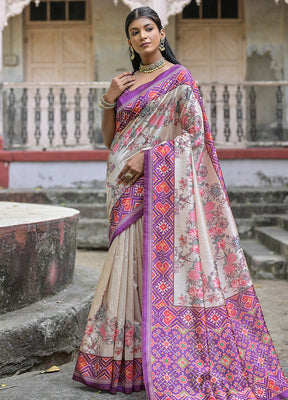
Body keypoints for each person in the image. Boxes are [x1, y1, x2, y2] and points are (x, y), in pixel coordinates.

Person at [73, 6, 288, 400]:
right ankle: (124, 363)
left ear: (161, 32)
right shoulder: (125, 82)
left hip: (156, 180)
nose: (142, 36)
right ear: (129, 40)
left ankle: (160, 359)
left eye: (149, 28)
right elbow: (111, 140)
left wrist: (149, 157)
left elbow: (195, 135)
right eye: (135, 31)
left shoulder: (179, 78)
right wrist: (108, 100)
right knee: (126, 263)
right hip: (121, 182)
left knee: (146, 265)